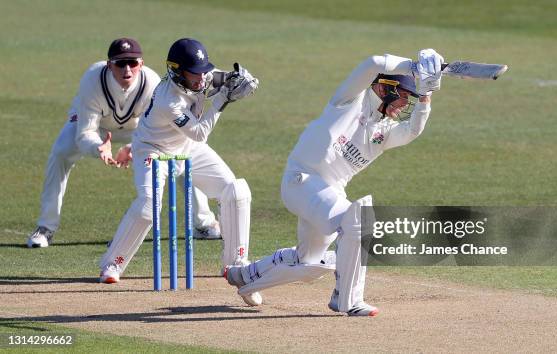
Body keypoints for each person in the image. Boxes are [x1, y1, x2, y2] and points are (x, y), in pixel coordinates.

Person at [225, 49, 445, 316]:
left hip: (328, 193)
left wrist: (426, 96)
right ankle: (347, 300)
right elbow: (374, 63)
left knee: (308, 265)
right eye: (403, 97)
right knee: (358, 222)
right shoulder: (350, 100)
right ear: (386, 87)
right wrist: (413, 66)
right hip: (302, 180)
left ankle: (244, 276)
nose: (404, 106)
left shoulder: (383, 132)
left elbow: (412, 131)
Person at [99, 38, 262, 306]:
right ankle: (113, 264)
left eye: (202, 70)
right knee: (148, 206)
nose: (201, 77)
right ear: (176, 70)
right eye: (194, 72)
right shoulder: (167, 99)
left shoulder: (202, 75)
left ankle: (237, 267)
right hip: (153, 150)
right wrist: (222, 98)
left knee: (235, 190)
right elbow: (199, 132)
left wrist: (240, 79)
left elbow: (221, 78)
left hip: (187, 148)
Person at [27, 38, 220, 248]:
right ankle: (46, 227)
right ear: (109, 65)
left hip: (140, 129)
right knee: (61, 151)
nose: (127, 69)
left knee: (182, 152)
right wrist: (98, 149)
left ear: (141, 64)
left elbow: (162, 131)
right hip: (98, 128)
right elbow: (85, 133)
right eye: (120, 63)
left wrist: (133, 148)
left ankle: (204, 222)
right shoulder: (93, 79)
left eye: (133, 63)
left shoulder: (151, 83)